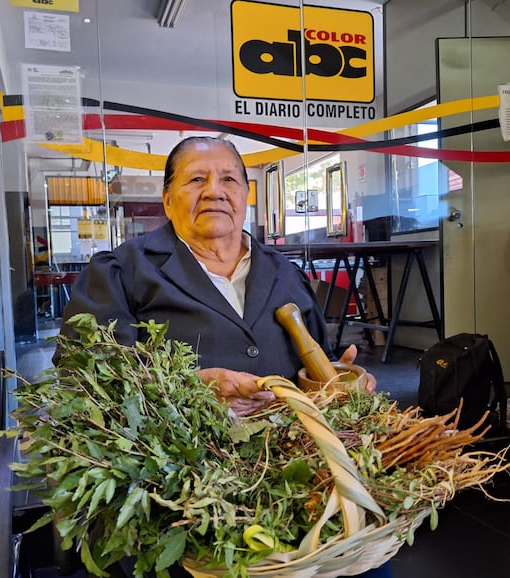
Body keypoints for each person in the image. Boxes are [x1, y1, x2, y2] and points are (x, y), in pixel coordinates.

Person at [58, 136, 389, 578]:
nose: (214, 190)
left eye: (229, 179)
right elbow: (86, 383)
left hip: (291, 479)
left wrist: (343, 380)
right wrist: (189, 392)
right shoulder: (120, 271)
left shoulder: (284, 272)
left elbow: (319, 364)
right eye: (197, 179)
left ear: (245, 196)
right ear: (168, 199)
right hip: (179, 493)